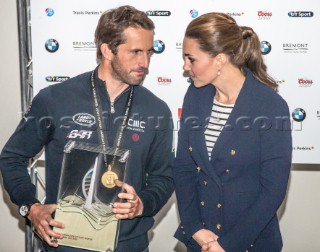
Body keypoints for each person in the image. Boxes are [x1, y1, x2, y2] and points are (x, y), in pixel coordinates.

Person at [0, 5, 174, 252]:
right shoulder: (55, 99)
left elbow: (163, 177)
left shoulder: (157, 110)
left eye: (148, 52)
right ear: (107, 50)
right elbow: (12, 157)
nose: (144, 62)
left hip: (128, 245)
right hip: (66, 243)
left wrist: (142, 204)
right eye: (135, 52)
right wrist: (32, 207)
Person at [173, 12, 292, 252]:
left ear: (219, 59)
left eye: (191, 59)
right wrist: (194, 227)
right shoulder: (195, 96)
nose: (185, 67)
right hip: (202, 240)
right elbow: (183, 168)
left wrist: (228, 245)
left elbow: (273, 190)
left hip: (250, 243)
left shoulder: (269, 106)